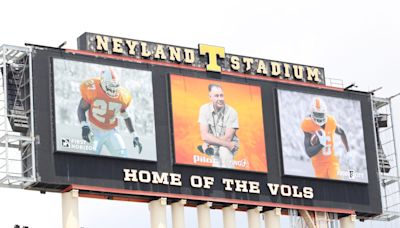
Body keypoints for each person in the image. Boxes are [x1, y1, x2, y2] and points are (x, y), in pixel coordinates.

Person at [77, 68, 142, 157]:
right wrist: (84, 126)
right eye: (110, 85)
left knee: (123, 156)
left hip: (111, 131)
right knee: (89, 161)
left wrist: (135, 135)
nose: (113, 89)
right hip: (94, 129)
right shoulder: (93, 89)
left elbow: (126, 116)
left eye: (115, 86)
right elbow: (81, 109)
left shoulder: (122, 96)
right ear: (103, 83)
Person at [301, 97, 350, 179]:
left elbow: (342, 132)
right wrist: (321, 144)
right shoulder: (307, 124)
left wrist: (348, 151)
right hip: (319, 165)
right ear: (312, 114)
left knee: (338, 183)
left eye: (321, 114)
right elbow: (309, 152)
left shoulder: (330, 121)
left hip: (332, 162)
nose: (319, 117)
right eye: (317, 114)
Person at [198, 83, 239, 168]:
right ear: (210, 97)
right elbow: (204, 135)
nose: (220, 99)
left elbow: (228, 138)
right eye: (217, 96)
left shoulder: (232, 112)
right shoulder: (204, 109)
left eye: (222, 95)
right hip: (216, 144)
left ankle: (229, 178)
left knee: (223, 150)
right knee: (216, 167)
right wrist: (207, 141)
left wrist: (208, 142)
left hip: (229, 146)